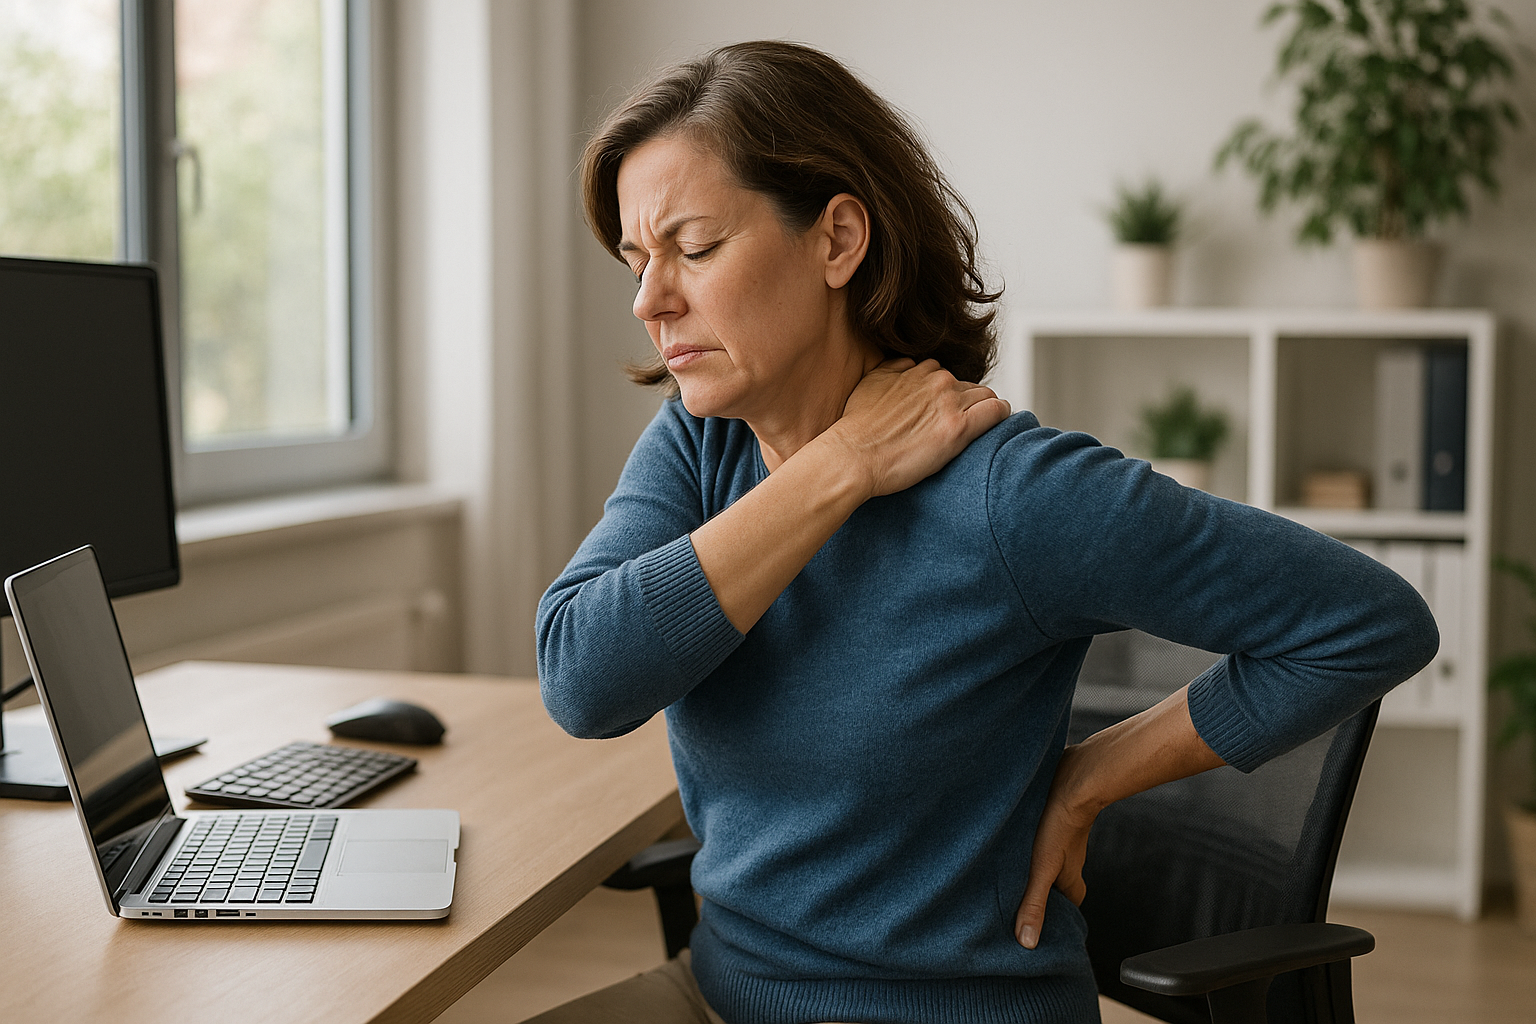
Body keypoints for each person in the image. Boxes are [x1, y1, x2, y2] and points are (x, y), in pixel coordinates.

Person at [534, 40, 1436, 1024]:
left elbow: (1369, 622)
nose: (649, 300)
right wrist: (840, 470)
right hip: (720, 992)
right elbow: (583, 679)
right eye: (636, 260)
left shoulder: (1014, 496)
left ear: (838, 240)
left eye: (694, 247)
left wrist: (1096, 772)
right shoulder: (704, 445)